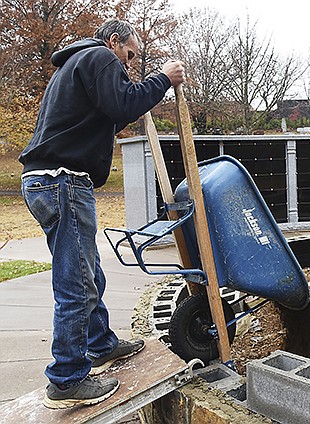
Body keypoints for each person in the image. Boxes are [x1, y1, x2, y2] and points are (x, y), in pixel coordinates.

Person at [18, 19, 185, 409]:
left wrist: (146, 90)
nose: (130, 63)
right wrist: (163, 78)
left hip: (46, 182)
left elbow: (116, 112)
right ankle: (66, 377)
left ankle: (100, 343)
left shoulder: (75, 64)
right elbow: (123, 102)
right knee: (76, 282)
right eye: (130, 53)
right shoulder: (99, 56)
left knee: (88, 270)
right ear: (115, 41)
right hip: (64, 182)